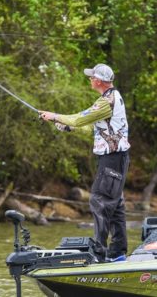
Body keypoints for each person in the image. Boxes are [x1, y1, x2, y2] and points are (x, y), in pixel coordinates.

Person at [39, 63, 130, 262]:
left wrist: (53, 115)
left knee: (99, 200)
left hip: (112, 160)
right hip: (117, 159)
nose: (89, 79)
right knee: (115, 205)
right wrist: (64, 127)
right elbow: (90, 127)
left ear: (98, 80)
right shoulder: (111, 98)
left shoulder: (106, 101)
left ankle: (98, 254)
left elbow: (80, 119)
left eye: (91, 77)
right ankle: (118, 253)